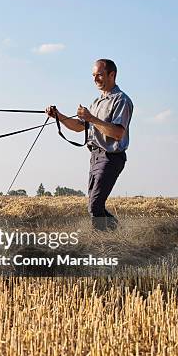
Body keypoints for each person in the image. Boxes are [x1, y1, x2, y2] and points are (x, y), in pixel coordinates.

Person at [46, 59, 133, 230]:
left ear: (112, 75)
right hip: (95, 156)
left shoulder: (121, 100)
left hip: (111, 158)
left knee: (95, 205)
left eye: (99, 75)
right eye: (93, 75)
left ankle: (106, 238)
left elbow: (117, 133)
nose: (95, 79)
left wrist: (91, 118)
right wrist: (58, 115)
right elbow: (79, 127)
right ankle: (118, 234)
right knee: (94, 205)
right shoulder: (96, 102)